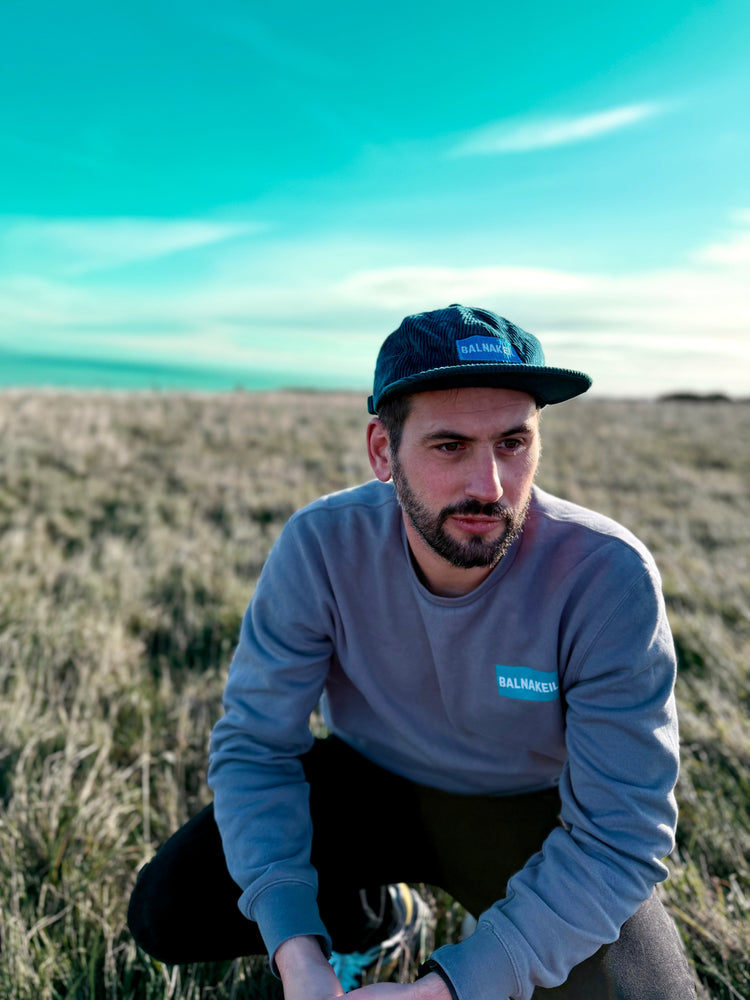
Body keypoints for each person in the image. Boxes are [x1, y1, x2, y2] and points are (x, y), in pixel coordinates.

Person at [128, 304, 697, 999]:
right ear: (382, 452)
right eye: (450, 446)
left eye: (512, 442)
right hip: (369, 787)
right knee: (169, 909)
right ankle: (372, 920)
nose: (489, 485)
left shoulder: (605, 575)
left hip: (527, 814)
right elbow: (257, 748)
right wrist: (297, 954)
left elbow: (619, 834)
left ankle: (503, 925)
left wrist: (454, 985)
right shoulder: (321, 546)